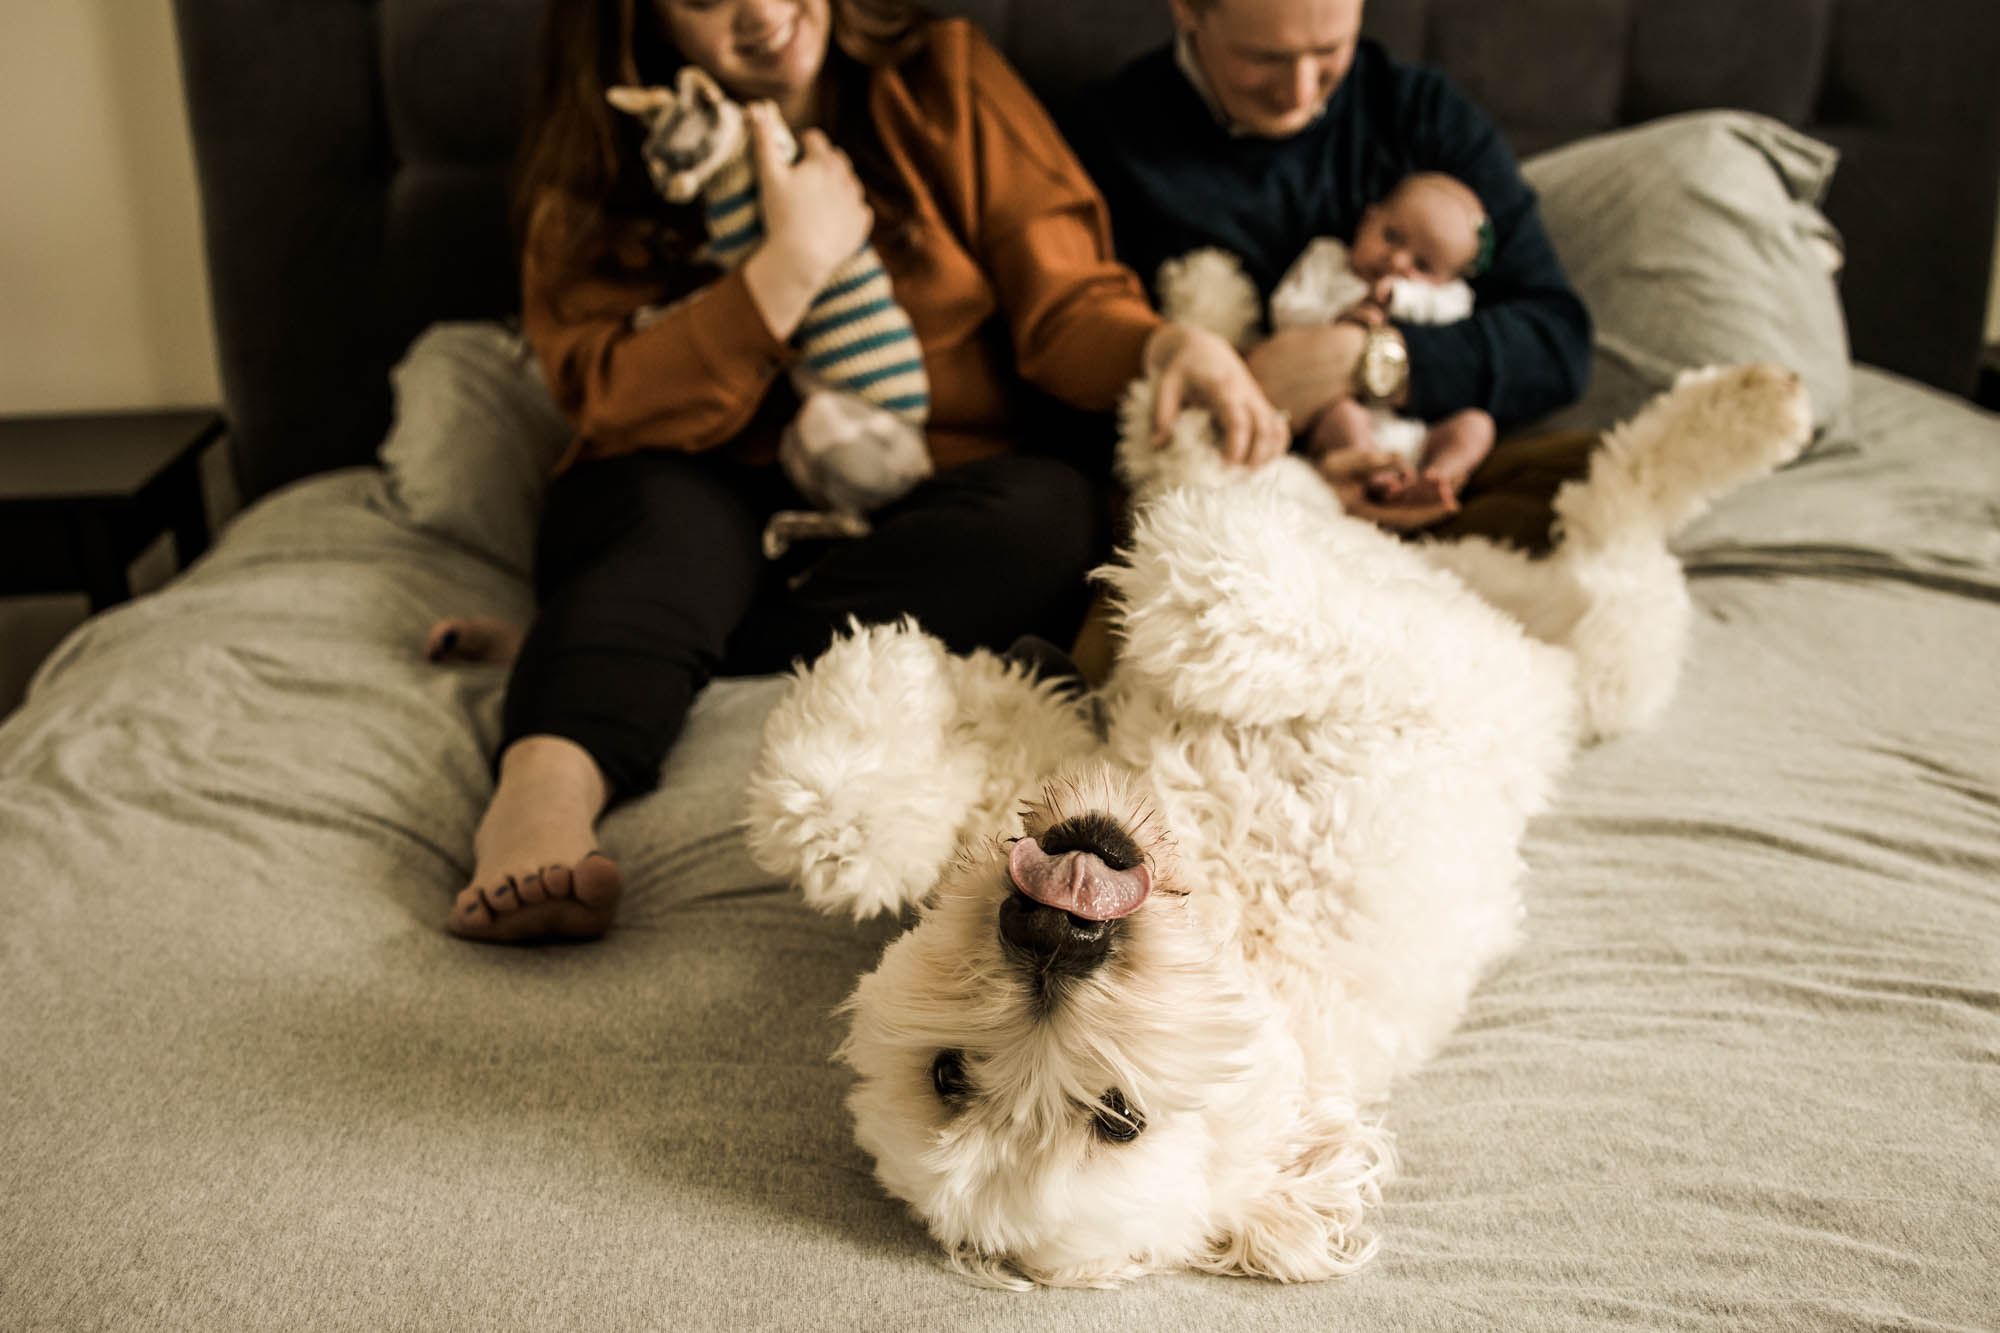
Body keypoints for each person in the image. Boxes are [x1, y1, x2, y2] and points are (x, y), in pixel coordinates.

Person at [425, 0, 1286, 945]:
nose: (761, 14)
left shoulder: (939, 78)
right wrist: (789, 264)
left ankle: (638, 642)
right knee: (659, 528)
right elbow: (610, 397)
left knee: (1049, 514)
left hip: (918, 499)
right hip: (695, 477)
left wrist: (1168, 345)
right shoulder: (609, 145)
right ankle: (541, 794)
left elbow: (1065, 301)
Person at [1067, 0, 1597, 544]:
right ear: (1187, 10)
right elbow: (1069, 381)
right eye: (1263, 57)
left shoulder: (1419, 115)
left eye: (1328, 51)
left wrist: (1365, 361)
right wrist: (1290, 448)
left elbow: (1557, 340)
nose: (1300, 92)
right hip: (1237, 501)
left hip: (1435, 485)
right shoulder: (1105, 141)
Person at [1288, 170, 1500, 515]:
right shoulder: (1327, 261)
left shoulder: (1440, 298)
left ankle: (1438, 477)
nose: (1397, 261)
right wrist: (1341, 320)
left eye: (1423, 265)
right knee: (1343, 415)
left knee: (1478, 425)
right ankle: (1370, 470)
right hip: (1343, 421)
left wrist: (1399, 297)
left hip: (1417, 433)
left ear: (1448, 279)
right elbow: (1285, 311)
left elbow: (1453, 312)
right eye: (1391, 236)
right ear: (1368, 219)